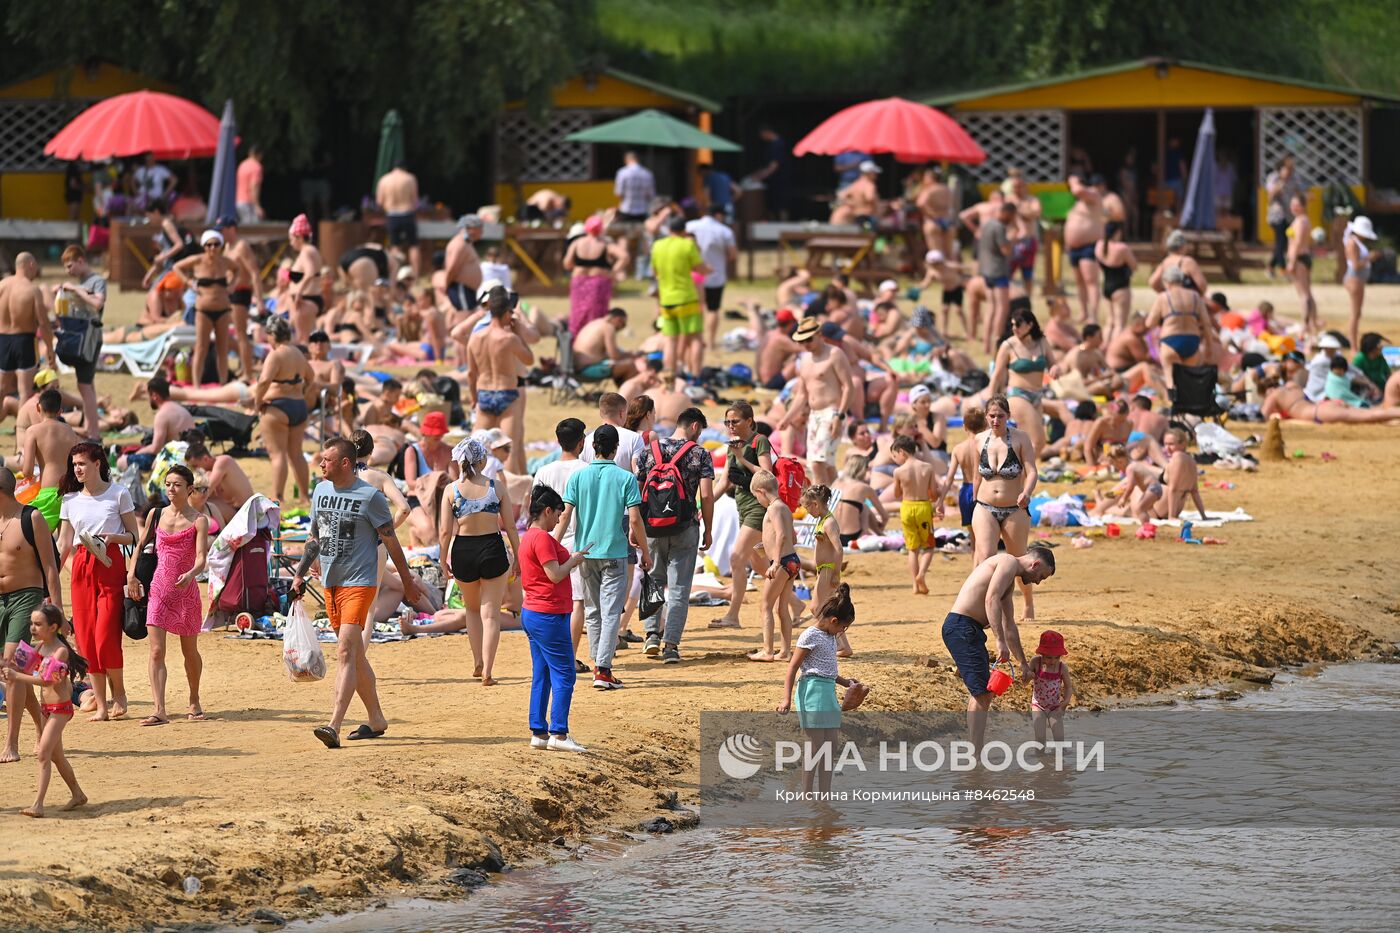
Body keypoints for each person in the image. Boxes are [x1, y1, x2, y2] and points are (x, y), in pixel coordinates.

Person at [299, 438, 420, 749]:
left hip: (360, 581)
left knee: (344, 653)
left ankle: (333, 724)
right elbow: (315, 536)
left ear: (345, 464)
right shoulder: (320, 491)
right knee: (355, 653)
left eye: (326, 460)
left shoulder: (370, 497)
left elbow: (392, 542)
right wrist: (300, 573)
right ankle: (377, 718)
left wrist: (407, 583)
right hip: (331, 581)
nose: (321, 464)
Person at [557, 425, 649, 690]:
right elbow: (634, 518)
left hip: (585, 553)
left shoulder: (578, 477)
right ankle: (603, 669)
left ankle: (598, 662)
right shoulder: (626, 478)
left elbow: (565, 516)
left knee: (593, 611)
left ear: (592, 446)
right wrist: (645, 550)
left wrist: (554, 547)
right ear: (616, 448)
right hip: (615, 552)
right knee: (610, 613)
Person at [942, 546, 1056, 751]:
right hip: (961, 627)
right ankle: (975, 756)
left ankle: (974, 752)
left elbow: (1009, 624)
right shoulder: (1008, 562)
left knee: (981, 693)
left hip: (969, 629)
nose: (1038, 582)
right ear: (1035, 564)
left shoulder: (1009, 578)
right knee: (983, 694)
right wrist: (999, 641)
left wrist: (1022, 663)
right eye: (1041, 576)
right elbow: (990, 598)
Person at [57, 441, 139, 722]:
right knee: (86, 640)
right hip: (81, 568)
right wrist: (50, 573)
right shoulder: (70, 500)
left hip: (110, 562)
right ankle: (102, 705)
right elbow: (64, 543)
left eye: (81, 463)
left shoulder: (119, 494)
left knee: (106, 637)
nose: (77, 469)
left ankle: (120, 694)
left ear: (97, 464)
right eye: (74, 464)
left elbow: (134, 536)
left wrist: (112, 537)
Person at [126, 465, 208, 726]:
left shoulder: (199, 520)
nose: (171, 489)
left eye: (177, 485)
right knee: (156, 651)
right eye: (168, 484)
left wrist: (191, 573)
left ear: (189, 489)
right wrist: (131, 575)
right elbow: (139, 547)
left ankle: (194, 699)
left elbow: (202, 558)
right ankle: (159, 709)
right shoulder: (155, 513)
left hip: (186, 592)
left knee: (189, 652)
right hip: (159, 589)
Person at [634, 407, 714, 663]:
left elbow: (636, 492)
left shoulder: (650, 450)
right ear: (694, 427)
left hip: (652, 528)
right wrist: (709, 528)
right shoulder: (699, 454)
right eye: (699, 431)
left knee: (654, 580)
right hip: (684, 526)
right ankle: (671, 645)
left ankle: (651, 637)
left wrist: (635, 527)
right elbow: (707, 495)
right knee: (679, 588)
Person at [439, 439, 519, 686]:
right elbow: (510, 526)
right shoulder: (497, 487)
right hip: (492, 547)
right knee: (491, 614)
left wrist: (443, 560)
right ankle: (488, 671)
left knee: (472, 610)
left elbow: (444, 531)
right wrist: (518, 555)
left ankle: (477, 661)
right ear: (482, 460)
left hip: (464, 548)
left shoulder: (451, 490)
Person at [517, 485, 590, 753]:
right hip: (547, 614)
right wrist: (575, 560)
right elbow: (555, 574)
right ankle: (559, 734)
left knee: (543, 673)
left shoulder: (529, 537)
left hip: (535, 612)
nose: (560, 519)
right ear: (547, 511)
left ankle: (539, 731)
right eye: (558, 513)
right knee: (564, 673)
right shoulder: (542, 539)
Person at [776, 584, 864, 795]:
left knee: (830, 747)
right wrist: (786, 699)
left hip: (828, 693)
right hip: (812, 692)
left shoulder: (830, 637)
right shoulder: (810, 635)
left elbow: (827, 670)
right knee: (816, 746)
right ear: (834, 621)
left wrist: (846, 683)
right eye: (844, 627)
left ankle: (824, 794)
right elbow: (793, 668)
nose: (843, 632)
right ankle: (807, 793)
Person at [0, 604, 87, 816]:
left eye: (38, 624)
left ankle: (38, 805)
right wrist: (6, 669)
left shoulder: (61, 651)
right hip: (47, 709)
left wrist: (15, 676)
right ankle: (78, 794)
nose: (32, 628)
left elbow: (47, 681)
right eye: (31, 623)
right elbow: (17, 667)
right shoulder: (39, 647)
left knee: (43, 753)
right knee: (57, 757)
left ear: (53, 627)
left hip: (60, 710)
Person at [0, 467, 62, 764]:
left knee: (12, 665)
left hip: (27, 597)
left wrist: (58, 609)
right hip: (0, 602)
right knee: (13, 673)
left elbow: (50, 566)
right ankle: (41, 727)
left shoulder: (31, 517)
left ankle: (11, 743)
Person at [972, 396, 1039, 619]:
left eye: (1000, 416)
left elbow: (1032, 471)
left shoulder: (1020, 438)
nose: (996, 420)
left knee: (1019, 558)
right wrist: (972, 500)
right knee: (985, 557)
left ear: (1008, 416)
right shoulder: (979, 439)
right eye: (992, 416)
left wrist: (1026, 493)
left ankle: (1028, 603)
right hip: (984, 506)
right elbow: (976, 476)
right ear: (986, 416)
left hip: (1014, 507)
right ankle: (983, 606)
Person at [531, 419, 590, 668]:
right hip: (578, 540)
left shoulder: (544, 470)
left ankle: (554, 654)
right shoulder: (587, 469)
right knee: (577, 601)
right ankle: (570, 656)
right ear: (581, 442)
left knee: (550, 600)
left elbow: (533, 508)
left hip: (547, 540)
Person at [710, 402, 773, 629]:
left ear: (749, 421)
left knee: (737, 557)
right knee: (758, 563)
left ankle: (733, 615)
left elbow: (767, 474)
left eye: (735, 421)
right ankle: (795, 604)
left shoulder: (759, 441)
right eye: (727, 422)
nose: (730, 426)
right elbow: (723, 482)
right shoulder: (732, 446)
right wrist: (703, 506)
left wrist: (743, 458)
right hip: (743, 507)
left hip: (759, 508)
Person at [468, 286, 534, 474]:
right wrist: (519, 332)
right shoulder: (509, 338)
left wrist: (474, 397)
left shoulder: (475, 338)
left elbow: (471, 374)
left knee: (473, 449)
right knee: (508, 451)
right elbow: (529, 359)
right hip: (506, 393)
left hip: (484, 393)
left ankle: (467, 491)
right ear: (506, 313)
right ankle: (511, 499)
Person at [782, 317, 852, 486]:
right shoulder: (804, 360)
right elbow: (801, 395)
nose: (806, 344)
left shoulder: (835, 354)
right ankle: (838, 499)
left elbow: (849, 387)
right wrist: (787, 418)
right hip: (814, 416)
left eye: (809, 339)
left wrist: (839, 415)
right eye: (802, 340)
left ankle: (823, 505)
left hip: (832, 412)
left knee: (817, 463)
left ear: (820, 335)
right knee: (825, 464)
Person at [253, 317, 316, 504]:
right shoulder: (298, 353)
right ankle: (305, 496)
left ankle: (277, 496)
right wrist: (301, 391)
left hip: (277, 407)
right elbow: (311, 378)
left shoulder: (276, 354)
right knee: (296, 454)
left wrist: (258, 402)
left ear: (273, 335)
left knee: (278, 454)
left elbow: (264, 381)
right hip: (298, 406)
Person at [172, 230, 238, 386]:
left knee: (222, 349)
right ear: (204, 246)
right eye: (209, 245)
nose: (212, 248)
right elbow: (177, 267)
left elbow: (238, 269)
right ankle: (196, 385)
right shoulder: (197, 260)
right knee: (201, 348)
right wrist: (189, 282)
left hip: (223, 309)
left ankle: (223, 384)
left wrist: (232, 285)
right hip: (203, 310)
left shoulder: (225, 262)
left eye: (216, 244)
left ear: (221, 246)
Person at [746, 469, 796, 663]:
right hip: (792, 560)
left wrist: (775, 561)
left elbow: (783, 534)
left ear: (761, 491)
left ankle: (768, 650)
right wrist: (766, 545)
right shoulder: (784, 507)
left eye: (756, 497)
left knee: (765, 605)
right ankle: (785, 651)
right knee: (781, 608)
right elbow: (791, 536)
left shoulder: (773, 508)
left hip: (782, 562)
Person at [57, 246, 106, 441]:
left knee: (84, 386)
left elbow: (98, 303)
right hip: (81, 339)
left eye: (70, 266)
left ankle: (93, 433)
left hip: (90, 340)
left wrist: (76, 289)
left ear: (80, 260)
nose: (69, 271)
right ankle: (90, 428)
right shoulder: (84, 282)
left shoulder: (97, 281)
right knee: (87, 386)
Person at [651, 214, 710, 376]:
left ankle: (670, 374)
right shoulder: (687, 245)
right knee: (695, 338)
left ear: (669, 229)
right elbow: (700, 268)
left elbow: (654, 272)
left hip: (666, 300)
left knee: (671, 339)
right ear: (684, 230)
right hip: (686, 298)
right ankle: (696, 375)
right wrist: (709, 270)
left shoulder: (657, 246)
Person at [991, 306, 1052, 456]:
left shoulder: (1042, 342)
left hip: (1037, 395)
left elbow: (1054, 363)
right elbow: (997, 375)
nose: (1014, 328)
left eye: (1018, 325)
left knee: (1030, 443)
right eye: (1012, 324)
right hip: (1018, 395)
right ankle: (1023, 475)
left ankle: (1020, 475)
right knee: (1039, 440)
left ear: (1030, 325)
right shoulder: (1008, 345)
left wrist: (1056, 368)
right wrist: (991, 402)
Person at [19, 389, 80, 530]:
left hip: (49, 493)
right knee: (64, 543)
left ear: (38, 408)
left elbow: (27, 471)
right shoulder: (70, 431)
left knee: (30, 535)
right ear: (60, 411)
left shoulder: (33, 431)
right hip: (71, 492)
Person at [887, 435, 939, 595]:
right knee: (929, 546)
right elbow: (934, 493)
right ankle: (921, 574)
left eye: (895, 456)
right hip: (923, 506)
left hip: (907, 507)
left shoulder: (899, 471)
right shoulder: (927, 467)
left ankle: (915, 586)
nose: (896, 460)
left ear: (901, 452)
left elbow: (896, 494)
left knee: (912, 548)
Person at [0, 253, 54, 405]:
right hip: (24, 341)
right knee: (25, 391)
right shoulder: (32, 289)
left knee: (2, 388)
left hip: (3, 340)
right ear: (31, 265)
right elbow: (43, 323)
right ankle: (22, 428)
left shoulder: (2, 285)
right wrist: (50, 348)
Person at [1146, 265, 1211, 390]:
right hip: (1192, 340)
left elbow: (1149, 323)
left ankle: (1174, 405)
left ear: (1167, 282)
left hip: (1170, 340)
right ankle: (1189, 407)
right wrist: (1209, 346)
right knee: (1188, 381)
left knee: (1171, 379)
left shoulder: (1163, 297)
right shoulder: (1195, 296)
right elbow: (1206, 323)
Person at [215, 215, 262, 380]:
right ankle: (245, 367)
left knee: (241, 334)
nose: (220, 234)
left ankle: (248, 373)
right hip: (230, 293)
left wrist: (260, 299)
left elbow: (254, 272)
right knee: (231, 333)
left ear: (231, 229)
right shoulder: (228, 246)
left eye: (222, 230)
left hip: (241, 291)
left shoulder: (241, 246)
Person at [686, 204, 738, 354]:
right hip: (715, 275)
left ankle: (696, 338)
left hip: (693, 275)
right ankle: (711, 342)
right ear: (719, 215)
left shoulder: (690, 225)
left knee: (696, 309)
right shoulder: (725, 231)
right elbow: (733, 255)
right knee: (713, 309)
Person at [564, 214, 628, 335]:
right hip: (598, 283)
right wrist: (613, 272)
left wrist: (580, 266)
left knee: (577, 312)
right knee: (596, 313)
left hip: (579, 281)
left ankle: (575, 340)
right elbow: (624, 257)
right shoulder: (605, 244)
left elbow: (567, 263)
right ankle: (595, 339)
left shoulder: (576, 243)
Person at [119, 376, 195, 472]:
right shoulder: (182, 410)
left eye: (149, 396)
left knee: (122, 461)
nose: (148, 399)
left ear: (154, 396)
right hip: (192, 456)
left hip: (176, 459)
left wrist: (138, 453)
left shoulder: (162, 414)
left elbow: (155, 448)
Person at [977, 200, 1016, 355]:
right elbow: (1005, 250)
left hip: (986, 270)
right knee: (1002, 308)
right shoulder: (999, 227)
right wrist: (1013, 239)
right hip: (998, 271)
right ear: (1007, 213)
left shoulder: (987, 224)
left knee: (991, 308)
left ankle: (986, 344)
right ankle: (997, 342)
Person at [1065, 175, 1105, 326]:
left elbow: (1077, 190)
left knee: (1091, 282)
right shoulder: (1079, 203)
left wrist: (1073, 179)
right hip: (1074, 248)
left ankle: (1093, 315)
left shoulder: (1093, 194)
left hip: (1089, 246)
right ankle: (1083, 312)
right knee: (1079, 282)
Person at [182, 441, 255, 520]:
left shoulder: (223, 462)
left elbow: (206, 492)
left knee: (203, 501)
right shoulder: (209, 472)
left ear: (205, 459)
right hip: (235, 511)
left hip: (245, 511)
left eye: (195, 466)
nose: (195, 469)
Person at [948, 406, 988, 542]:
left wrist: (941, 500)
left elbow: (949, 478)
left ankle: (975, 563)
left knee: (974, 538)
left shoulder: (958, 449)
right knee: (986, 536)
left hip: (965, 492)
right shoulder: (986, 446)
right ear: (985, 425)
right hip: (983, 490)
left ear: (964, 427)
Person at [376, 161, 421, 277]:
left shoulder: (384, 180)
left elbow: (379, 202)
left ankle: (394, 273)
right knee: (413, 245)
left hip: (392, 215)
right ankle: (415, 275)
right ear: (404, 168)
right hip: (407, 214)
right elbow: (415, 201)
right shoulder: (410, 178)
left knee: (395, 246)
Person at [580, 392, 645, 472]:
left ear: (600, 413)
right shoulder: (635, 438)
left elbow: (582, 470)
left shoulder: (587, 440)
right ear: (622, 413)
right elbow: (638, 473)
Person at [1027, 630, 1073, 745]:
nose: (1053, 661)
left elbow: (1068, 687)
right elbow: (1024, 682)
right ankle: (1040, 757)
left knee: (1059, 738)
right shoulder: (1035, 662)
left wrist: (1066, 701)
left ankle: (1058, 760)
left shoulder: (1062, 668)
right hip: (1038, 705)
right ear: (1041, 654)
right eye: (1048, 657)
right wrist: (1029, 676)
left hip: (1055, 707)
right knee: (1040, 738)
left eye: (1057, 658)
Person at [832, 453, 886, 548]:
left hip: (832, 536)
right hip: (852, 537)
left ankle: (876, 532)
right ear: (863, 469)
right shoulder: (864, 488)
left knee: (861, 507)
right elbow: (884, 516)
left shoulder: (836, 483)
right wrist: (880, 526)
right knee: (864, 507)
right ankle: (877, 533)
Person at [1095, 220, 1136, 342]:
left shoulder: (1099, 245)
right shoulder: (1122, 248)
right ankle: (1115, 348)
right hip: (1121, 287)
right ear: (1117, 233)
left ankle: (1106, 347)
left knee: (1109, 322)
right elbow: (1134, 266)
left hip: (1106, 286)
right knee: (1119, 324)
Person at [1155, 428, 1208, 520]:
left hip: (1160, 508)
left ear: (1183, 444)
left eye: (1171, 444)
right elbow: (1194, 491)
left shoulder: (1177, 458)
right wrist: (1203, 515)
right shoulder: (1191, 460)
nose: (1167, 448)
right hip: (1177, 507)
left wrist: (1171, 516)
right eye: (1165, 444)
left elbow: (1173, 489)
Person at [1342, 216, 1378, 352]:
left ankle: (1353, 343)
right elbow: (1356, 265)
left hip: (1358, 280)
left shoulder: (1356, 242)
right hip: (1354, 279)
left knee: (1356, 314)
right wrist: (1370, 257)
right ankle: (1353, 346)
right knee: (1354, 314)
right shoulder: (1353, 243)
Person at [286, 214, 324, 343]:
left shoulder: (307, 251)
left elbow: (310, 272)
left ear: (299, 237)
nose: (291, 243)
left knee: (303, 340)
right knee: (302, 339)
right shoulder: (310, 251)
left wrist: (298, 293)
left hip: (305, 299)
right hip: (307, 299)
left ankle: (306, 363)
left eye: (291, 239)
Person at [1265, 155, 1302, 278]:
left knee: (1284, 243)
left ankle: (1270, 266)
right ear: (1281, 168)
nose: (1291, 171)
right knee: (1280, 242)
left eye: (1292, 168)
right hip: (1276, 216)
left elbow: (1298, 193)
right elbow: (1270, 197)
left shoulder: (1294, 178)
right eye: (1288, 168)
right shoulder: (1273, 178)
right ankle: (1283, 269)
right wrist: (1280, 182)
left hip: (1289, 215)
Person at [444, 215, 485, 315]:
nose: (482, 232)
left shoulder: (466, 243)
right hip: (461, 289)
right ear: (471, 229)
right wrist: (447, 286)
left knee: (468, 322)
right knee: (464, 319)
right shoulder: (460, 244)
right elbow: (452, 268)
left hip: (467, 290)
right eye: (480, 228)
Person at [1148, 229, 1208, 295]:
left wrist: (1166, 294)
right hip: (1187, 300)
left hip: (1171, 301)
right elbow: (1202, 286)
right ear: (1183, 246)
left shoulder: (1166, 261)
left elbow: (1152, 282)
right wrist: (1195, 299)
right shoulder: (1188, 261)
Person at [614, 151, 656, 223]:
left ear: (626, 160)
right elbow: (651, 195)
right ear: (638, 159)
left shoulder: (622, 173)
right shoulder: (647, 173)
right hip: (642, 210)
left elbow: (618, 193)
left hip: (626, 209)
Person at [235, 145, 264, 224]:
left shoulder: (242, 165)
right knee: (253, 230)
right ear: (259, 154)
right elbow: (253, 186)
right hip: (248, 203)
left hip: (239, 201)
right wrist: (257, 206)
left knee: (246, 229)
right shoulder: (256, 167)